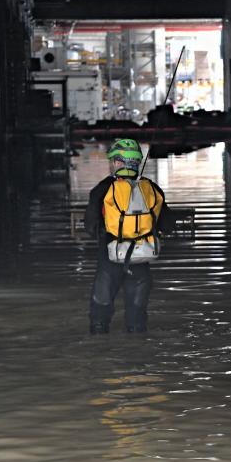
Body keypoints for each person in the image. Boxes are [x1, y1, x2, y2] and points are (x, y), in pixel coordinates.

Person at [83, 138, 176, 334]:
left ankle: (99, 353)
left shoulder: (102, 190)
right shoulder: (151, 188)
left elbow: (90, 227)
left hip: (109, 261)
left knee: (99, 319)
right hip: (141, 261)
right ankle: (138, 357)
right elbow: (168, 225)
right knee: (137, 322)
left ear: (117, 163)